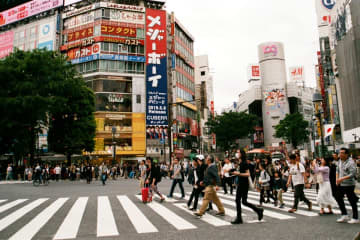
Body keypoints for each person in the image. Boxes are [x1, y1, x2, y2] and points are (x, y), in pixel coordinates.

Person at [230, 150, 263, 224]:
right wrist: (234, 172)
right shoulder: (240, 163)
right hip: (241, 183)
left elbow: (248, 174)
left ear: (241, 154)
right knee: (244, 201)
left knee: (238, 200)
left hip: (243, 184)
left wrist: (238, 174)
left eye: (238, 152)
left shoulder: (244, 163)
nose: (237, 154)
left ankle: (239, 218)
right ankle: (258, 210)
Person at [336, 148, 359, 224]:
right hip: (341, 183)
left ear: (346, 154)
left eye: (342, 153)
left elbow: (352, 174)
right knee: (338, 197)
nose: (340, 154)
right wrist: (337, 179)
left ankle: (355, 217)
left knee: (351, 200)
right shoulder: (339, 161)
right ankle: (344, 214)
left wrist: (342, 178)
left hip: (349, 184)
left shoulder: (351, 162)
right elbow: (337, 170)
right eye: (340, 153)